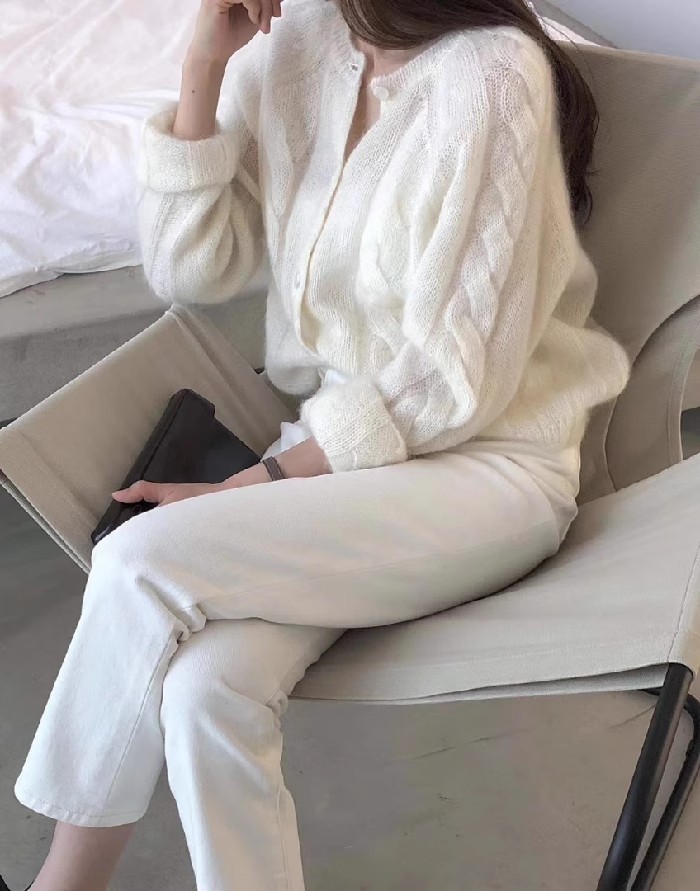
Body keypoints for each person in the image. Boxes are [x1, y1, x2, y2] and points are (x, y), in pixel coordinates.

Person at [5, 0, 631, 889]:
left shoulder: (490, 75)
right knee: (204, 689)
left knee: (140, 562)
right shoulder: (301, 47)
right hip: (344, 462)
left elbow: (452, 381)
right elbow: (191, 270)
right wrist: (203, 69)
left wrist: (261, 479)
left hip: (491, 467)